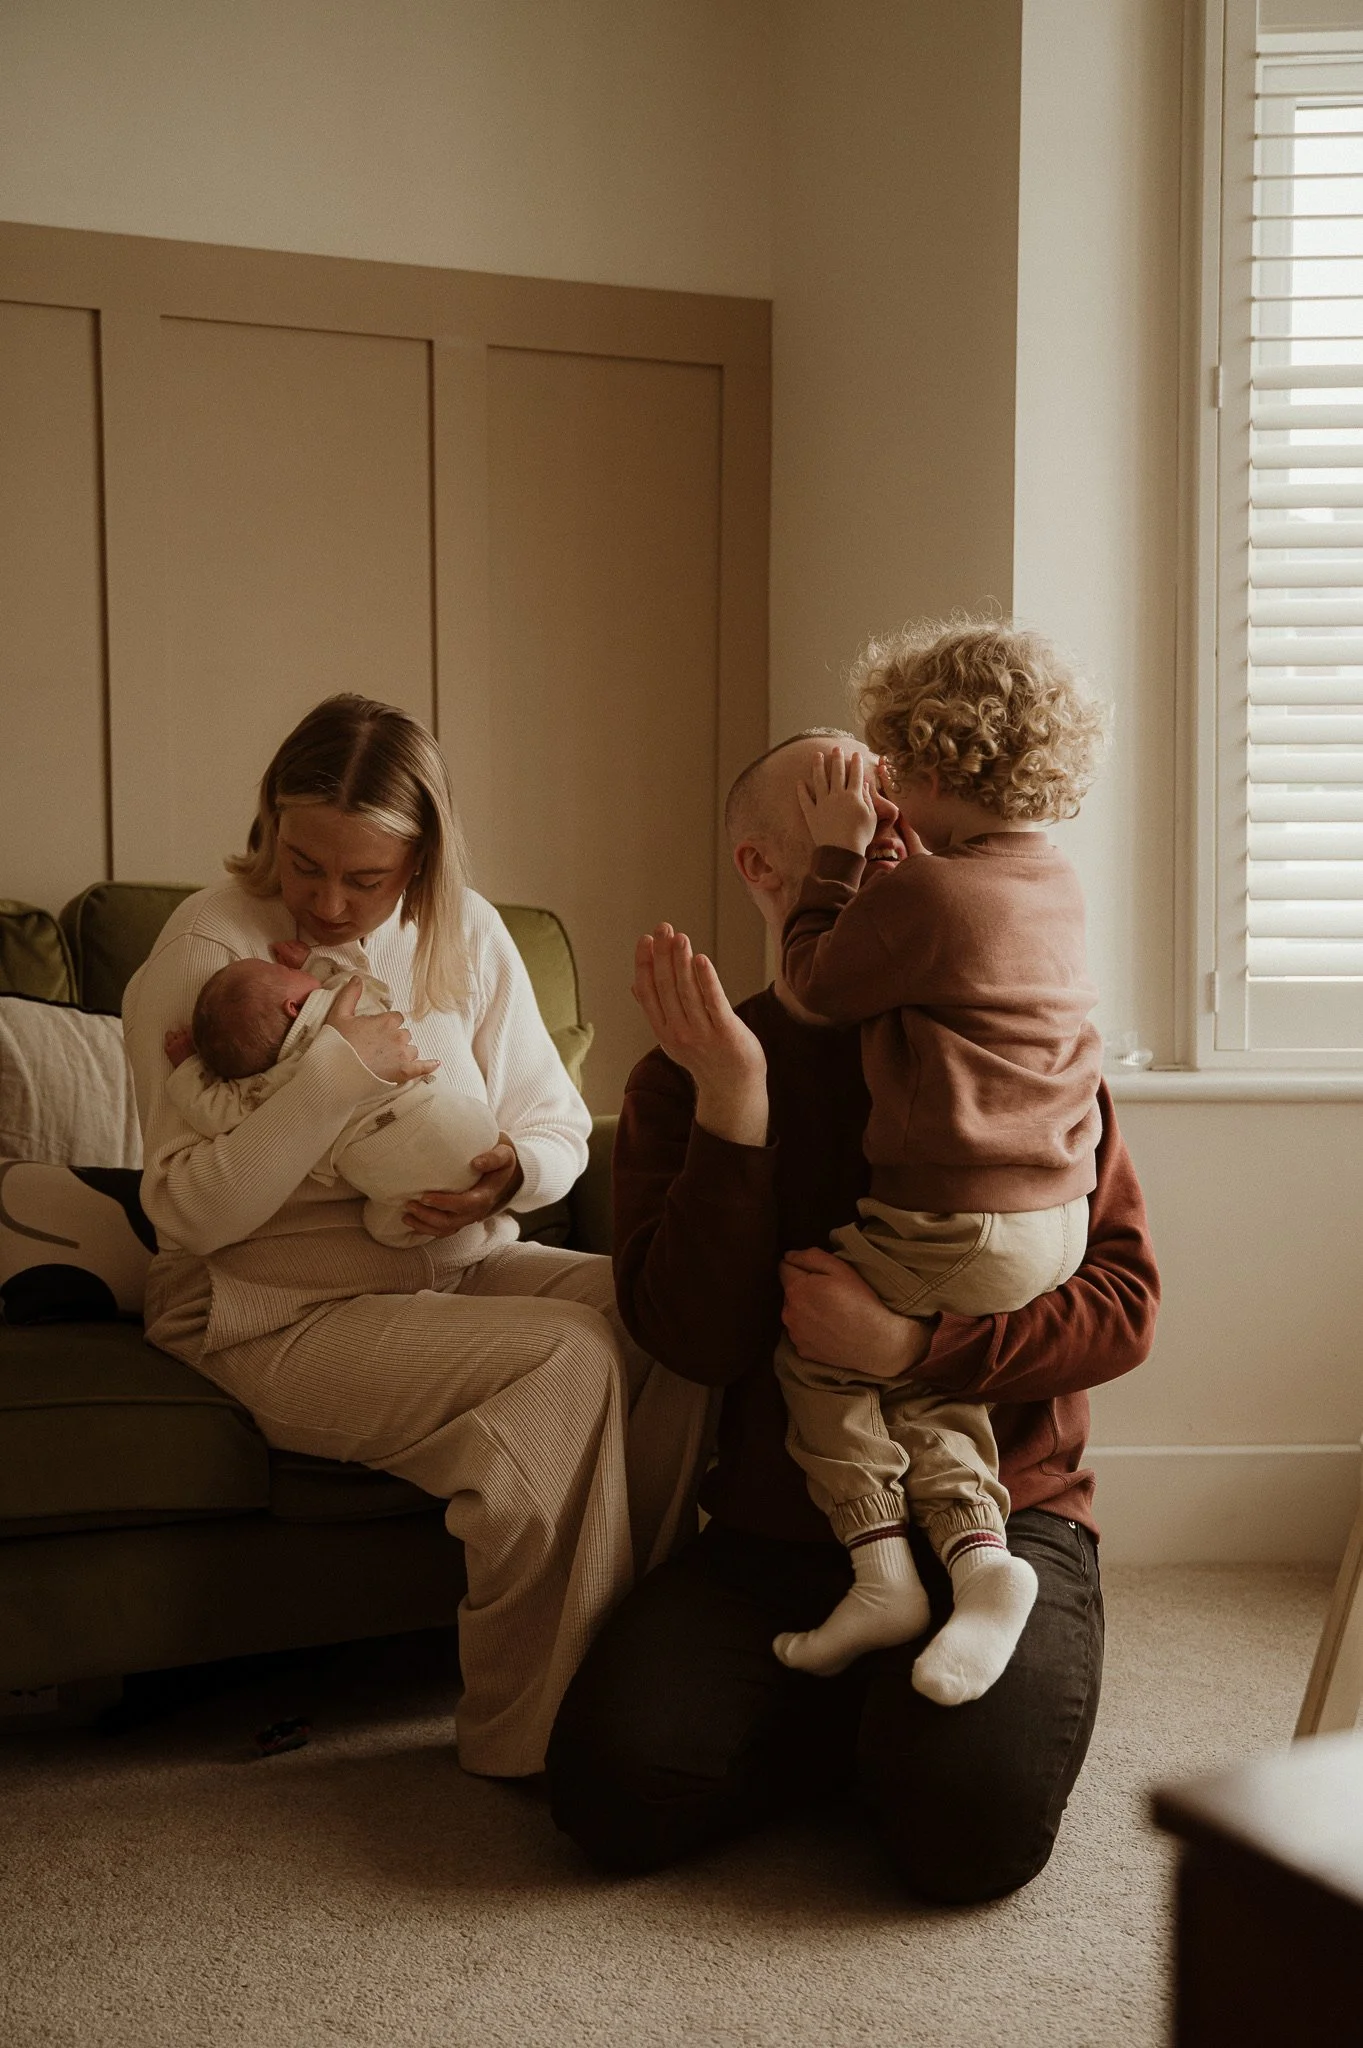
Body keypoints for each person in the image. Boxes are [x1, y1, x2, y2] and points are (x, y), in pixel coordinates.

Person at [545, 727, 1158, 1900]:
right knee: (612, 1792)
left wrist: (918, 1346)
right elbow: (692, 1336)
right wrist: (736, 1109)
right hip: (787, 1521)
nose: (902, 859)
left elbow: (1122, 1306)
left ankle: (910, 1711)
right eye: (857, 840)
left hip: (1004, 1513)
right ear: (765, 867)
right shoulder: (689, 1072)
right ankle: (872, 1709)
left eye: (903, 832)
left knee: (965, 1835)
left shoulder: (1029, 1050)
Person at [124, 693, 709, 1781]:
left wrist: (512, 1173)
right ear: (269, 821)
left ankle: (644, 1667)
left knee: (669, 1314)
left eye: (366, 877)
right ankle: (537, 1738)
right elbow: (186, 1212)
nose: (328, 901)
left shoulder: (466, 931)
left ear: (424, 859)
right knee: (563, 1358)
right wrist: (337, 1074)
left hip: (461, 1264)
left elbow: (554, 1123)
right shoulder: (209, 946)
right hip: (268, 1310)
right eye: (304, 863)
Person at [770, 623, 1107, 1701]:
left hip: (958, 1213)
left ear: (928, 765)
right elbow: (934, 941)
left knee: (822, 1353)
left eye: (892, 765)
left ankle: (879, 1570)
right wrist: (892, 863)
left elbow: (816, 982)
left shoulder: (924, 895)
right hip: (1051, 1217)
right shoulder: (1049, 882)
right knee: (918, 1380)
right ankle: (980, 1562)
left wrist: (835, 854)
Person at [165, 946, 501, 1246]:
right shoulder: (339, 1002)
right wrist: (315, 964)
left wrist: (187, 1069)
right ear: (294, 1006)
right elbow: (371, 988)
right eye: (285, 971)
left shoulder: (263, 1086)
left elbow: (213, 1113)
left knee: (384, 1229)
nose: (291, 968)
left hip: (392, 1174)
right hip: (466, 1125)